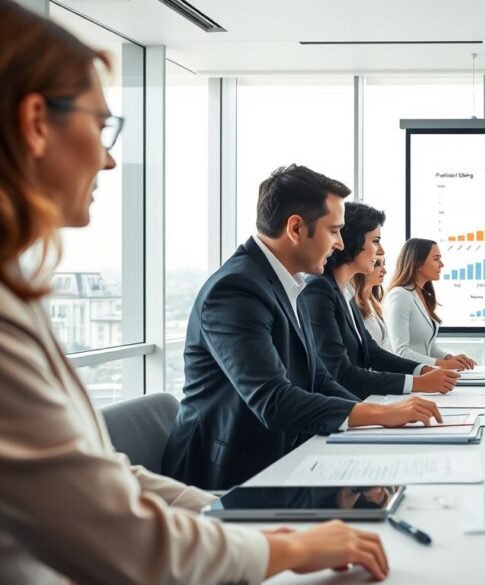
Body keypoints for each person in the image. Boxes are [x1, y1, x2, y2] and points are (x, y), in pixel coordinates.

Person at [0, 2, 389, 582]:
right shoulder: (237, 288)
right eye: (102, 126)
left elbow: (105, 479)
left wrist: (237, 522)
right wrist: (276, 549)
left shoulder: (15, 302)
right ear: (36, 122)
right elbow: (115, 531)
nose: (109, 159)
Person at [163, 165, 442, 490]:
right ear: (296, 228)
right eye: (334, 230)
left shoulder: (283, 282)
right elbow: (273, 400)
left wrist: (372, 414)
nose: (340, 244)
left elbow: (316, 377)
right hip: (223, 476)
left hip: (279, 454)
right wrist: (378, 416)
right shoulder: (237, 290)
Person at [299, 201, 460, 398]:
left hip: (359, 403)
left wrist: (424, 371)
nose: (379, 251)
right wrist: (417, 383)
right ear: (353, 241)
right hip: (339, 413)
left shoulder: (344, 293)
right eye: (375, 241)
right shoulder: (319, 289)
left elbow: (372, 353)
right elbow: (339, 372)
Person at [384, 238, 476, 370]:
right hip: (406, 378)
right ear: (418, 264)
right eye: (436, 259)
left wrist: (449, 358)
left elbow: (428, 347)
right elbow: (401, 352)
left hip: (424, 378)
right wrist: (442, 365)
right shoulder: (399, 296)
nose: (441, 264)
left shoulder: (421, 295)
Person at [354, 257, 390, 350]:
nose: (384, 271)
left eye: (384, 264)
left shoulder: (376, 305)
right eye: (377, 264)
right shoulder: (352, 306)